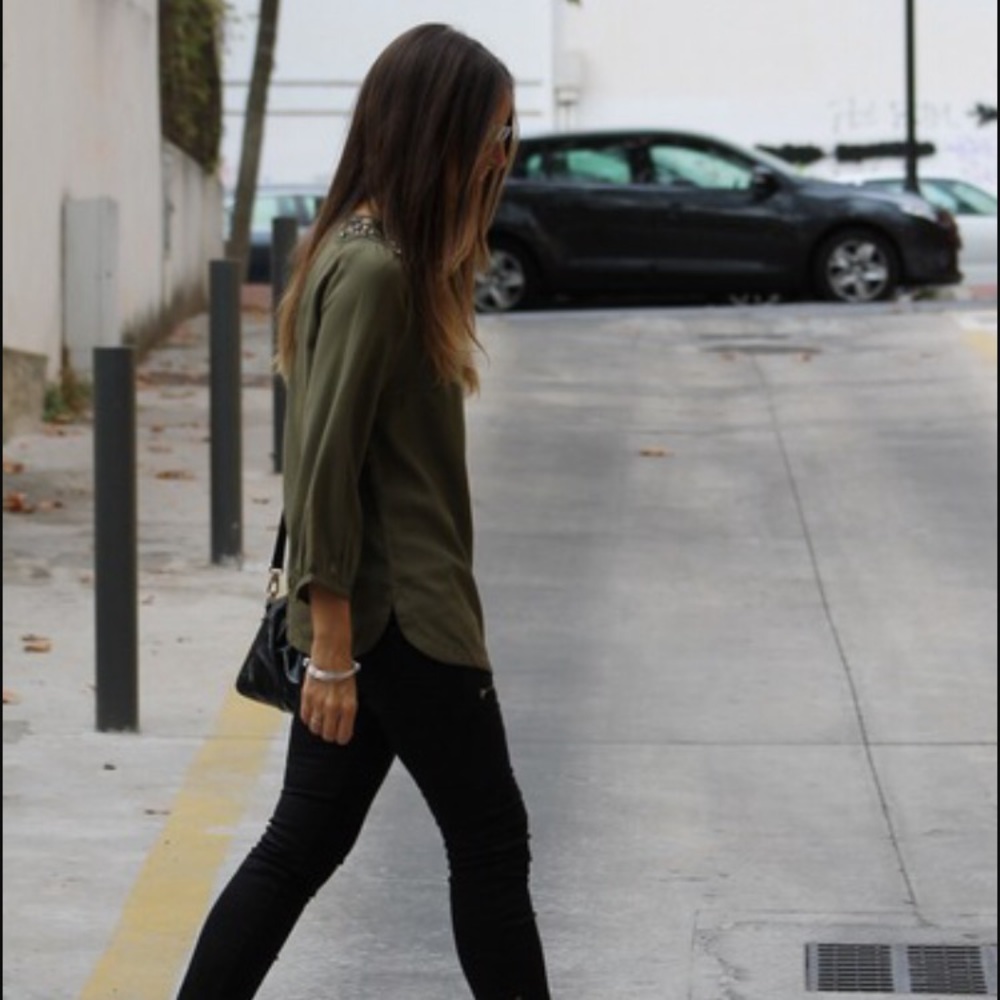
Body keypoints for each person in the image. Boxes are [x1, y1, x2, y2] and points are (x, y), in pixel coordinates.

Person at [176, 23, 551, 1000]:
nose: (499, 155)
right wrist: (334, 648)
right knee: (490, 842)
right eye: (490, 131)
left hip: (380, 622)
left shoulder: (372, 250)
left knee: (298, 847)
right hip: (402, 625)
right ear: (436, 129)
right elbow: (321, 468)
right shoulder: (378, 270)